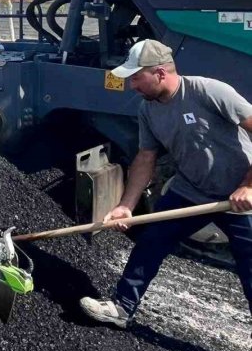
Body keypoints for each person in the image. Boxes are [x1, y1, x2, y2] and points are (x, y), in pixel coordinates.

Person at [79, 39, 252, 329]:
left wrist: (248, 186)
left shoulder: (209, 91)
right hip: (191, 190)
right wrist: (125, 206)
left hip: (238, 196)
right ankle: (122, 307)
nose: (132, 85)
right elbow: (145, 158)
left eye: (137, 78)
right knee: (151, 242)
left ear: (160, 73)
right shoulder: (148, 110)